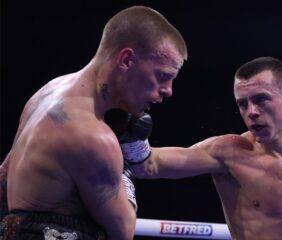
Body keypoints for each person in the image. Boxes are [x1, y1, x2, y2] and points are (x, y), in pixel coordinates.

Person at [108, 57, 282, 240]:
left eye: (260, 100)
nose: (251, 112)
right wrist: (133, 138)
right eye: (243, 104)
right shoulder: (228, 151)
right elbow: (147, 166)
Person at [0, 5, 187, 240]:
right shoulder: (91, 135)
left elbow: (4, 181)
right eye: (162, 76)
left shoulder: (48, 92)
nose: (168, 91)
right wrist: (123, 158)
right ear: (127, 60)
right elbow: (124, 230)